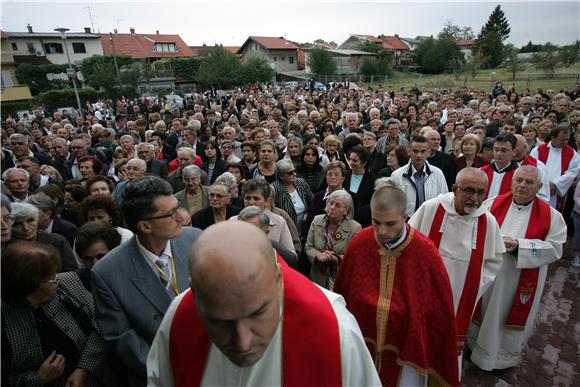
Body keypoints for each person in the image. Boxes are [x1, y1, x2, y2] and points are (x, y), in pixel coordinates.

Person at [146, 221, 381, 387]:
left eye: (257, 312)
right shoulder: (180, 317)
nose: (242, 342)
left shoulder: (335, 332)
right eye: (219, 321)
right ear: (195, 292)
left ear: (278, 278)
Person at [333, 184, 459, 386]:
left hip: (406, 346)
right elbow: (343, 291)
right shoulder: (360, 242)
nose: (382, 231)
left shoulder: (425, 251)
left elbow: (437, 308)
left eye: (390, 224)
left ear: (405, 216)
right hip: (363, 339)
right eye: (376, 222)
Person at [91, 176, 201, 387]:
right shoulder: (107, 273)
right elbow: (123, 340)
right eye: (171, 214)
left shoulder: (195, 239)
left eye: (177, 207)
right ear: (145, 226)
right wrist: (170, 374)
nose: (181, 217)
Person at [469, 166, 567, 370]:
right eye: (519, 180)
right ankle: (473, 346)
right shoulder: (492, 203)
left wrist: (519, 246)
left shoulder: (552, 216)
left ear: (539, 186)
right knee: (484, 310)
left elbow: (555, 248)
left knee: (504, 317)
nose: (522, 186)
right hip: (489, 273)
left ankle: (500, 359)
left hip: (518, 278)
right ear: (512, 181)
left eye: (529, 182)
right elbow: (473, 227)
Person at [408, 168, 505, 375]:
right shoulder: (432, 208)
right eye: (469, 190)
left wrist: (476, 285)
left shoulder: (487, 221)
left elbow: (494, 260)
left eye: (481, 192)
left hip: (461, 294)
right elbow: (408, 243)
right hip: (424, 290)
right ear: (454, 188)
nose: (475, 198)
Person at [2, 242, 105, 386]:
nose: (56, 280)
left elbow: (104, 322)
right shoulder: (4, 316)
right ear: (27, 289)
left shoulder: (67, 282)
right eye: (49, 278)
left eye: (55, 273)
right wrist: (38, 378)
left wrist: (84, 368)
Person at [306, 189, 361, 289]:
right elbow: (308, 247)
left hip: (341, 278)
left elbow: (355, 257)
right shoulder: (316, 220)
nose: (332, 207)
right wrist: (318, 255)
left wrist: (336, 258)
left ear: (346, 211)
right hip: (318, 276)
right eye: (331, 203)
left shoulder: (355, 228)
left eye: (338, 205)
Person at [10, 202, 78, 272]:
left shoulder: (58, 241)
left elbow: (72, 272)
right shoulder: (5, 246)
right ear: (10, 225)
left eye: (30, 221)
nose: (26, 228)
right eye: (18, 224)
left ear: (37, 220)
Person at [391, 135, 449, 217]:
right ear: (409, 152)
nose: (419, 155)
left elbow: (444, 202)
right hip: (407, 223)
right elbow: (393, 204)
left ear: (428, 152)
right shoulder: (397, 176)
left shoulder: (437, 173)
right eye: (415, 151)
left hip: (430, 221)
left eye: (423, 151)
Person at [530, 124, 580, 211]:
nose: (565, 142)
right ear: (553, 137)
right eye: (562, 140)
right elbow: (532, 167)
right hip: (538, 189)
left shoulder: (572, 153)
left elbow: (572, 173)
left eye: (567, 139)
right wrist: (545, 185)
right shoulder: (538, 150)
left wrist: (555, 185)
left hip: (556, 193)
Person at [75, 221, 122, 291]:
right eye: (88, 259)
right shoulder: (77, 283)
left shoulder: (129, 277)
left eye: (101, 257)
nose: (95, 264)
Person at [271, 159, 313, 233]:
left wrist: (308, 213)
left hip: (304, 229)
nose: (295, 174)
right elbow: (272, 212)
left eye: (294, 171)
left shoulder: (301, 182)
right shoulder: (274, 189)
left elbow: (312, 201)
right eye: (290, 173)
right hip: (285, 230)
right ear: (281, 176)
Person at [480, 132, 519, 199]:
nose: (499, 154)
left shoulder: (518, 175)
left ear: (514, 152)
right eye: (496, 150)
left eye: (504, 151)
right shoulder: (481, 172)